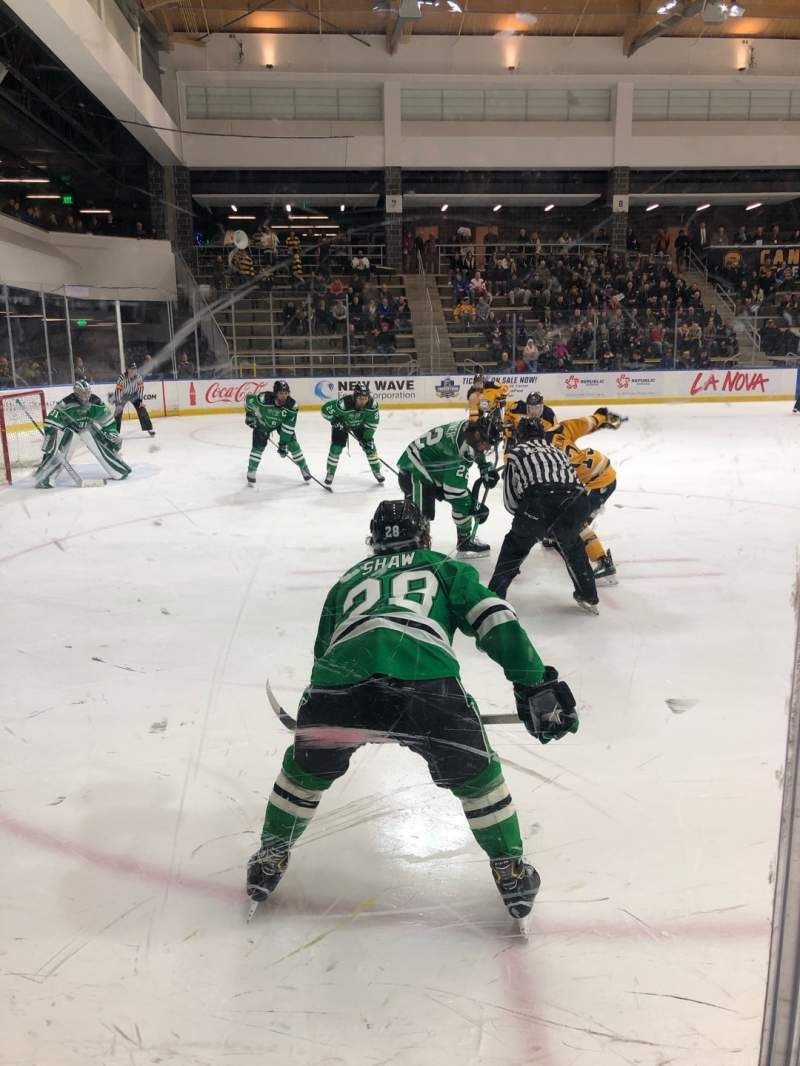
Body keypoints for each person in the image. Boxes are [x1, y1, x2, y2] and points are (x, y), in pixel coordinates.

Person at [246, 499, 578, 924]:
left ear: (374, 540)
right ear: (422, 534)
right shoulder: (442, 566)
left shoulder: (346, 581)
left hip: (337, 687)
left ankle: (270, 857)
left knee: (303, 776)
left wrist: (321, 714)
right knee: (479, 779)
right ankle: (510, 869)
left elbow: (323, 651)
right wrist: (532, 680)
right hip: (424, 684)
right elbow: (494, 618)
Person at [488, 418, 599, 614]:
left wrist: (528, 524)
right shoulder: (558, 451)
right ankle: (588, 595)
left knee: (514, 548)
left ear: (519, 435)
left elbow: (510, 500)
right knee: (573, 545)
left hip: (540, 501)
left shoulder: (515, 454)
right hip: (576, 502)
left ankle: (494, 599)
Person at [397, 417, 497, 558]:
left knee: (464, 498)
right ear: (477, 435)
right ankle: (415, 552)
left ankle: (464, 541)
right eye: (487, 445)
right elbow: (454, 493)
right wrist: (474, 508)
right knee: (421, 515)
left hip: (432, 465)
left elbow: (476, 450)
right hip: (414, 470)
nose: (487, 449)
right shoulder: (459, 451)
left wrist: (484, 466)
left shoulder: (469, 428)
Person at [546, 407, 624, 582]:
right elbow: (584, 424)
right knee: (568, 517)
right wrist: (601, 417)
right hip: (597, 466)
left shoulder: (544, 456)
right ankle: (557, 537)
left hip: (600, 480)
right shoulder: (556, 429)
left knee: (575, 521)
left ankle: (604, 562)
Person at [33, 379, 131, 488]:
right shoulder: (66, 404)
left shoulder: (95, 402)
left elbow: (107, 420)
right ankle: (45, 477)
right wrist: (52, 435)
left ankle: (118, 470)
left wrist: (112, 435)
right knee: (62, 449)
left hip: (86, 428)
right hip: (68, 432)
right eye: (83, 393)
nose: (86, 395)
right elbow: (51, 422)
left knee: (102, 442)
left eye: (88, 392)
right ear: (76, 393)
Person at [244, 380, 311, 486]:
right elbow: (249, 399)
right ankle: (251, 471)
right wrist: (249, 415)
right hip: (263, 423)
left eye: (286, 393)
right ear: (275, 393)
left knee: (293, 444)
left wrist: (283, 444)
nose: (284, 396)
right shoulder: (264, 399)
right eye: (281, 393)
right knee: (258, 447)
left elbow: (288, 428)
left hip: (281, 424)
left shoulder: (292, 406)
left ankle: (304, 468)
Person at [321, 382, 384, 487]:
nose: (363, 401)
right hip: (342, 425)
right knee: (336, 448)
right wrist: (335, 421)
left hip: (360, 426)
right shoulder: (343, 404)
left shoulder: (372, 406)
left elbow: (372, 424)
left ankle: (377, 471)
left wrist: (366, 439)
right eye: (360, 398)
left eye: (365, 398)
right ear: (355, 397)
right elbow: (324, 411)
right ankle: (330, 472)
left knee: (370, 447)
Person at [113, 364, 155, 436]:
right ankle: (115, 431)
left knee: (141, 409)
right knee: (118, 411)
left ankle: (149, 428)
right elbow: (118, 390)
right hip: (123, 395)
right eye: (131, 369)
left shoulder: (138, 377)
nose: (133, 371)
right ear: (127, 370)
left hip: (134, 394)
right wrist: (119, 402)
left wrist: (140, 401)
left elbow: (140, 389)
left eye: (135, 369)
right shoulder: (122, 377)